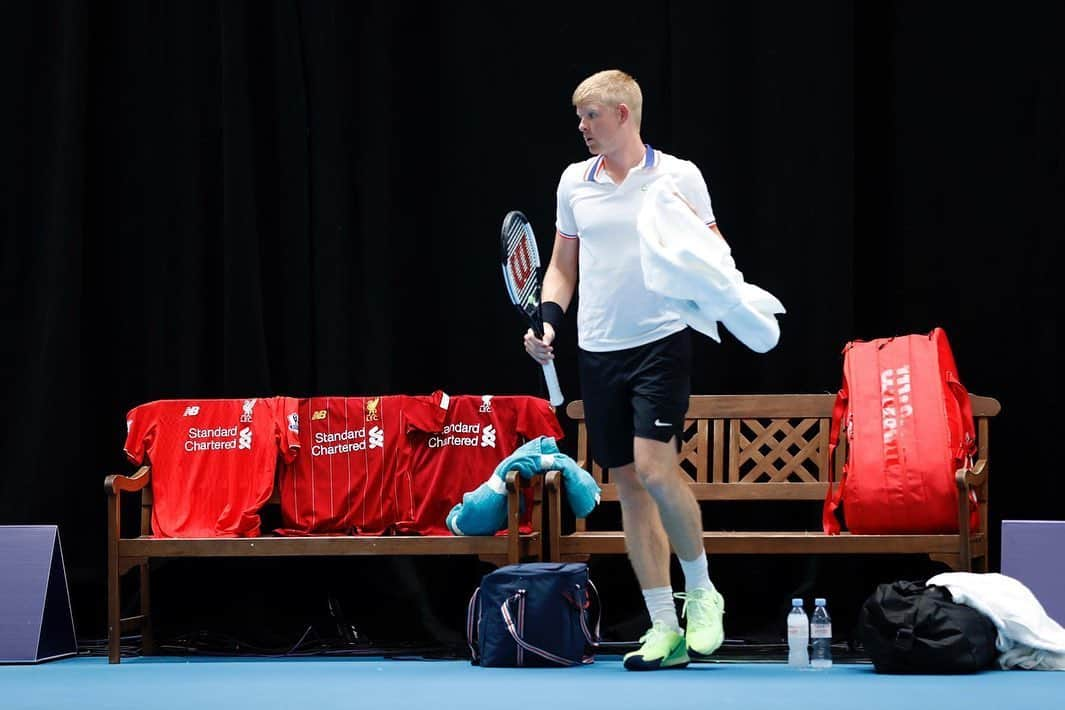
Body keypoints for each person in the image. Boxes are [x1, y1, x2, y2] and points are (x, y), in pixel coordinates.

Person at [523, 69, 726, 671]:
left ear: (622, 115)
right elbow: (563, 265)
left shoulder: (678, 175)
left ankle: (703, 592)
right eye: (579, 117)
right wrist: (550, 318)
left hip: (662, 341)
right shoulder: (573, 183)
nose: (582, 127)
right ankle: (664, 625)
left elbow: (715, 251)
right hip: (598, 348)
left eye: (590, 116)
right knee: (629, 487)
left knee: (656, 470)